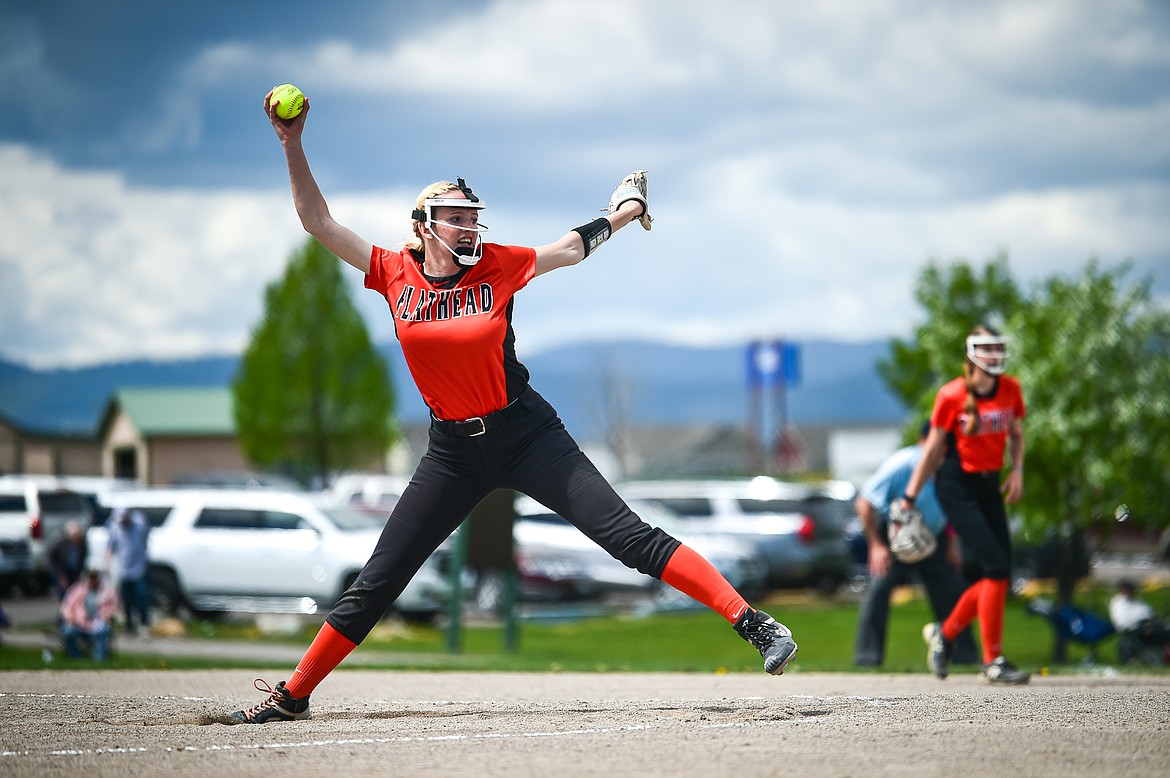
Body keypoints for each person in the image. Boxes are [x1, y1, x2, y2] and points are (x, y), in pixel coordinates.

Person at [227, 89, 799, 724]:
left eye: (473, 217)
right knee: (380, 578)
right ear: (423, 227)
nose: (470, 228)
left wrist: (624, 211)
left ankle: (753, 623)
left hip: (526, 432)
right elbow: (317, 221)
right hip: (451, 451)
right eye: (455, 218)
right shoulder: (392, 271)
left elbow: (570, 248)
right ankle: (294, 694)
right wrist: (292, 143)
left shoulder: (497, 265)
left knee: (627, 538)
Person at [898, 325, 1031, 685]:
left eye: (998, 347)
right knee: (997, 568)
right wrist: (909, 497)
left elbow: (1017, 434)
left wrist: (1017, 470)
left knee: (999, 573)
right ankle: (993, 660)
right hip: (957, 487)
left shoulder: (1011, 388)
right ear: (971, 352)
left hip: (990, 484)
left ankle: (946, 632)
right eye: (986, 347)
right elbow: (932, 450)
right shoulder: (952, 395)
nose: (994, 354)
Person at [853, 422, 977, 667]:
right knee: (878, 591)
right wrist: (876, 545)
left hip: (934, 536)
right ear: (923, 442)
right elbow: (864, 503)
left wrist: (951, 542)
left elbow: (952, 506)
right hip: (895, 534)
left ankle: (964, 656)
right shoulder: (903, 464)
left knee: (952, 591)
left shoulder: (950, 467)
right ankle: (867, 659)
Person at [105, 507, 151, 637]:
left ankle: (144, 624)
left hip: (139, 568)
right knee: (126, 599)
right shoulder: (115, 529)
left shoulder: (139, 525)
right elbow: (110, 548)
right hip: (124, 569)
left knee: (141, 596)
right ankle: (129, 625)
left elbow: (146, 539)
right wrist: (106, 566)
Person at [59, 566, 120, 660]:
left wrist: (107, 616)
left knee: (103, 630)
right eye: (90, 577)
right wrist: (70, 617)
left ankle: (99, 657)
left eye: (95, 577)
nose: (93, 580)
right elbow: (66, 607)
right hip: (78, 624)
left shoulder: (108, 591)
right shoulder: (77, 590)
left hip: (97, 624)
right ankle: (75, 657)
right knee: (68, 631)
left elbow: (113, 609)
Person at [1109, 579, 1170, 665]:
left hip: (1148, 625)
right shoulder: (1118, 603)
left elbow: (1149, 612)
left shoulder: (1138, 602)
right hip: (1134, 630)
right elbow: (1122, 621)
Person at [47, 519, 89, 601]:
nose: (77, 539)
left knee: (75, 593)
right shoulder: (61, 543)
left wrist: (79, 573)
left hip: (74, 571)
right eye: (74, 537)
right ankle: (65, 612)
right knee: (64, 595)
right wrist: (60, 576)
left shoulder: (82, 544)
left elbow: (82, 559)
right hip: (61, 571)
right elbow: (53, 561)